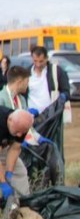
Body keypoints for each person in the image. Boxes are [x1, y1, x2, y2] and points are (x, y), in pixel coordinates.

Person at [1, 73, 36, 202]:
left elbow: (15, 149)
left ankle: (22, 202)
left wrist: (9, 173)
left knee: (19, 170)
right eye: (17, 132)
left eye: (22, 133)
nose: (20, 135)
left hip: (3, 146)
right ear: (9, 121)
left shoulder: (21, 124)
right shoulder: (1, 122)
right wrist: (3, 182)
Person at [26, 46, 71, 119]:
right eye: (35, 61)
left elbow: (66, 91)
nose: (38, 65)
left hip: (52, 116)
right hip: (32, 116)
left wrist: (62, 97)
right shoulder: (26, 73)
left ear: (47, 58)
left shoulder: (56, 71)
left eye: (41, 61)